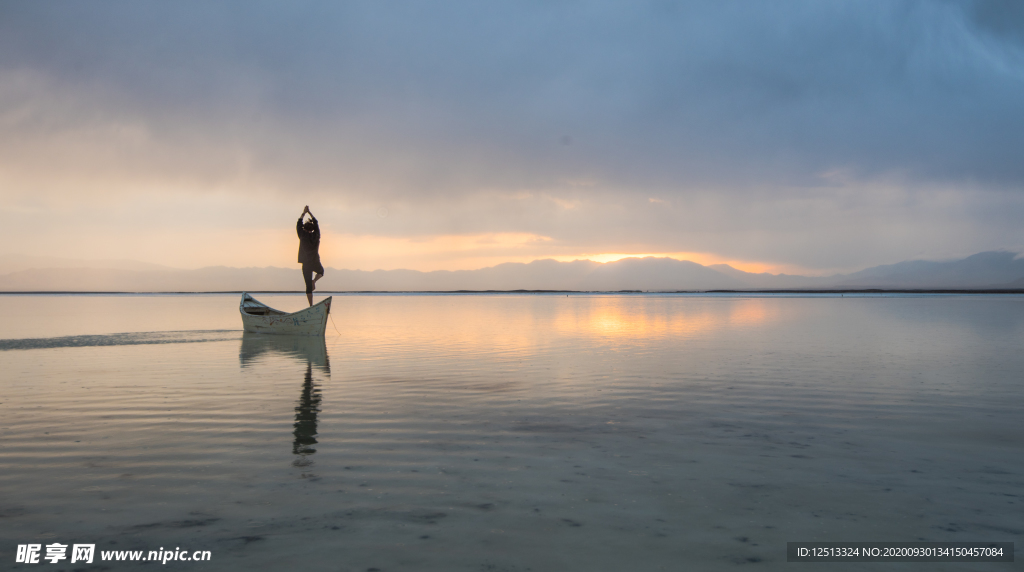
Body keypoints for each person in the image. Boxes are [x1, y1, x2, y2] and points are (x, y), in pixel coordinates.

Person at [297, 205, 324, 306]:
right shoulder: (316, 236)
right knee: (321, 272)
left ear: (304, 229)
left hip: (306, 263)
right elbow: (316, 223)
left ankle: (311, 306)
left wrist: (303, 213)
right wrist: (310, 213)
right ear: (312, 229)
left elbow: (298, 224)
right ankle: (314, 281)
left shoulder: (302, 235)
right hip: (315, 260)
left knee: (308, 287)